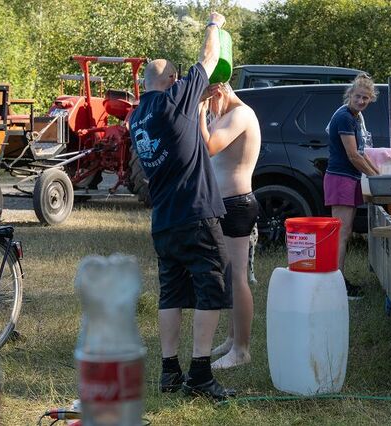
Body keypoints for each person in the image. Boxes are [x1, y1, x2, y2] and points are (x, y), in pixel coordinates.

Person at [128, 12, 234, 400]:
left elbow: (177, 128)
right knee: (213, 286)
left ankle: (169, 372)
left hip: (164, 220)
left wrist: (198, 100)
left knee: (171, 293)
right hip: (196, 213)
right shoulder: (176, 97)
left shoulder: (138, 116)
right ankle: (201, 375)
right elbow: (208, 58)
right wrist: (213, 24)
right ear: (173, 81)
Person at [198, 82, 261, 369]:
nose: (209, 109)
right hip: (223, 204)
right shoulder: (225, 115)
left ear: (218, 92)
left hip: (237, 205)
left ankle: (242, 349)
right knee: (227, 275)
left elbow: (209, 146)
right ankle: (232, 338)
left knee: (237, 278)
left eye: (209, 101)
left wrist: (200, 112)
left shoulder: (240, 114)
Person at [324, 73, 379, 300]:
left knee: (343, 232)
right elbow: (353, 155)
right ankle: (336, 285)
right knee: (341, 234)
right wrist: (376, 178)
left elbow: (361, 155)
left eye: (366, 98)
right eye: (358, 96)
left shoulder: (354, 117)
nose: (362, 101)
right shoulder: (345, 117)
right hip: (340, 178)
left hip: (348, 178)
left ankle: (337, 280)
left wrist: (376, 174)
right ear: (350, 95)